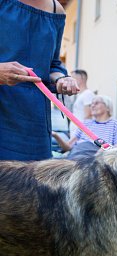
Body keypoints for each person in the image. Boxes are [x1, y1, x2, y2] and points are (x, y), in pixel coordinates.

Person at [0, 0, 79, 161]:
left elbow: (53, 65)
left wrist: (62, 79)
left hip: (34, 119)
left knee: (33, 180)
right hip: (3, 109)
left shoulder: (57, 10)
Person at [52, 95, 117, 159]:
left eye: (96, 103)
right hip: (77, 154)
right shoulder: (86, 123)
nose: (92, 106)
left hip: (98, 157)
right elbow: (68, 147)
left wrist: (104, 152)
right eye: (91, 104)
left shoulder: (114, 124)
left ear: (108, 107)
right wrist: (56, 136)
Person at [69, 69, 95, 135]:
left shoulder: (88, 94)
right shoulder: (81, 95)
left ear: (82, 78)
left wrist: (81, 134)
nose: (71, 81)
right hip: (76, 134)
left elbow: (88, 116)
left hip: (81, 136)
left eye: (73, 78)